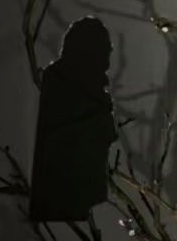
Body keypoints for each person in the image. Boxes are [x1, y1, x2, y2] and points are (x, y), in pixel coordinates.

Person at [29, 18, 116, 223]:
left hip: (75, 193)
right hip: (68, 194)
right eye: (105, 51)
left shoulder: (73, 83)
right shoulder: (66, 84)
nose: (108, 60)